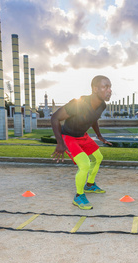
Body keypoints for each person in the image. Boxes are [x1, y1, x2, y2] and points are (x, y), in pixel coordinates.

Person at [51, 75, 112, 210]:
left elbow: (93, 118)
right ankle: (79, 196)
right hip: (69, 137)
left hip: (82, 136)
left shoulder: (102, 105)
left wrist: (99, 136)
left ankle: (89, 185)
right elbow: (55, 117)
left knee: (98, 157)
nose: (109, 90)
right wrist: (60, 143)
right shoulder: (77, 104)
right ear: (95, 89)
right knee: (84, 165)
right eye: (105, 87)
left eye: (110, 87)